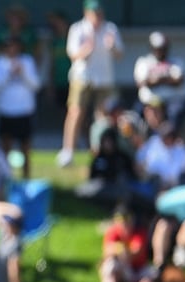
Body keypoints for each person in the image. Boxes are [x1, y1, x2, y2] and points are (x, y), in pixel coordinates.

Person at [57, 0, 123, 168]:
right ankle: (68, 151)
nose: (97, 17)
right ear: (87, 13)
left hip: (104, 78)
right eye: (94, 13)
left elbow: (119, 54)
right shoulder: (78, 29)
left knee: (103, 117)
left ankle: (99, 150)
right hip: (82, 77)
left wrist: (112, 46)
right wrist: (86, 50)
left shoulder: (110, 29)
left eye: (99, 13)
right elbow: (72, 54)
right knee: (75, 112)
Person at [0, 36, 41, 179]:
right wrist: (8, 74)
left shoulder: (27, 61)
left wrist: (22, 73)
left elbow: (36, 85)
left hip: (25, 111)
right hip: (6, 111)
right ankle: (7, 179)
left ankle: (26, 179)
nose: (12, 49)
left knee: (26, 149)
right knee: (5, 149)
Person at [99, 205, 157, 282]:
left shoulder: (139, 232)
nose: (124, 223)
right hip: (122, 270)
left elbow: (136, 252)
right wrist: (120, 249)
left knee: (151, 275)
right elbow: (107, 251)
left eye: (127, 219)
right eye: (120, 220)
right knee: (109, 265)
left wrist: (121, 249)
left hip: (137, 269)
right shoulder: (112, 232)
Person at [133, 31, 185, 130]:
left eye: (163, 48)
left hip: (172, 102)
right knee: (136, 116)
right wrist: (166, 79)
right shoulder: (144, 62)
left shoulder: (176, 62)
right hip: (150, 103)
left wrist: (157, 79)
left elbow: (179, 81)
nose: (160, 51)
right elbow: (142, 82)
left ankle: (171, 139)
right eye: (157, 49)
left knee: (177, 111)